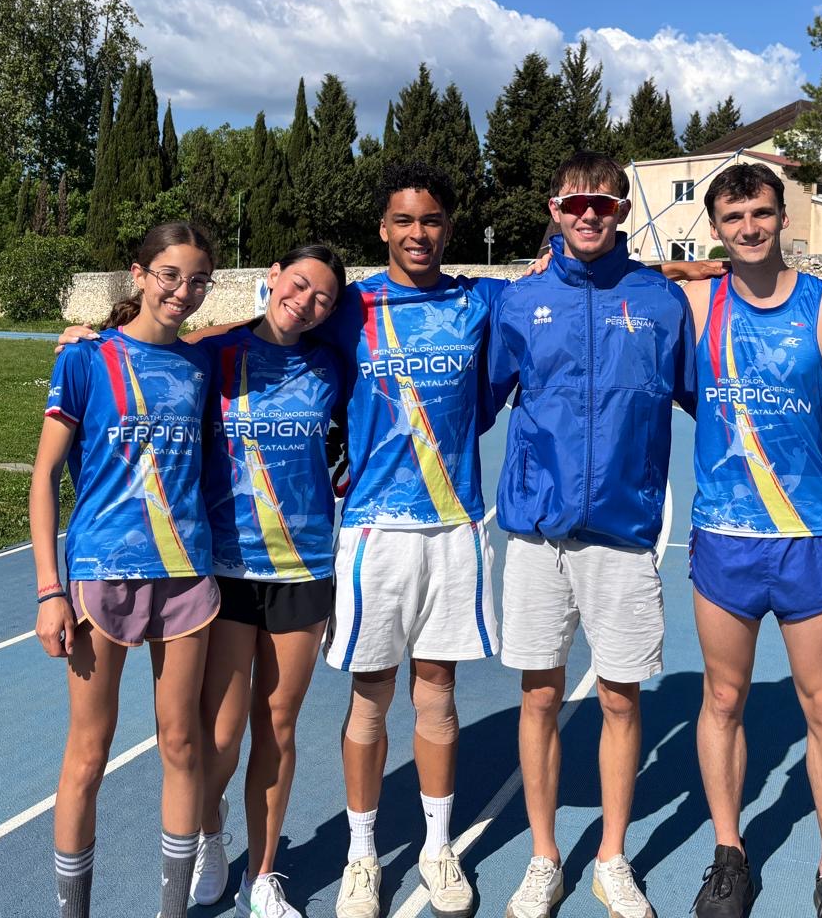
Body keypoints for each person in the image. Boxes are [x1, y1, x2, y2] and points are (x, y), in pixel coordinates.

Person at [683, 164, 822, 918]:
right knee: (722, 698)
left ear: (782, 216)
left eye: (762, 212)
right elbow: (615, 283)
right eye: (733, 216)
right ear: (715, 227)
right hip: (725, 536)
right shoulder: (694, 303)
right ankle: (729, 856)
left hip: (809, 536)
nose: (749, 227)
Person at [486, 152, 695, 918]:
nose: (586, 216)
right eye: (573, 204)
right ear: (553, 209)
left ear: (621, 212)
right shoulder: (521, 301)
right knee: (539, 696)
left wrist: (797, 438)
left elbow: (710, 398)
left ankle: (612, 857)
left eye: (600, 205)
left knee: (619, 701)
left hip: (623, 535)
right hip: (537, 538)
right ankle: (544, 858)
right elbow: (470, 401)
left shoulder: (660, 302)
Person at [312, 162, 509, 918]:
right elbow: (264, 330)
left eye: (430, 220)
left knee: (438, 694)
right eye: (404, 220)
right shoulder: (351, 306)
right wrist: (117, 331)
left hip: (454, 526)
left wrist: (696, 268)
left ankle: (436, 846)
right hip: (375, 529)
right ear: (383, 228)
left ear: (449, 227)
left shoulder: (479, 298)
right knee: (371, 698)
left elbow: (575, 284)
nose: (417, 233)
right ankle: (362, 855)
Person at [30, 221, 221, 918]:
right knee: (89, 753)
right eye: (169, 275)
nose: (183, 292)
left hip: (186, 570)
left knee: (182, 742)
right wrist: (49, 591)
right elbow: (45, 477)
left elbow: (263, 326)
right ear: (139, 275)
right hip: (100, 570)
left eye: (198, 281)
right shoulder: (85, 359)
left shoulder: (201, 365)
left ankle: (173, 911)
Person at [186, 245, 348, 918]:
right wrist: (91, 336)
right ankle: (209, 833)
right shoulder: (215, 355)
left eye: (323, 298)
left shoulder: (332, 366)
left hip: (302, 569)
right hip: (227, 569)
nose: (305, 302)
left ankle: (263, 874)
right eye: (299, 284)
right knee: (221, 734)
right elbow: (149, 347)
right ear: (272, 278)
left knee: (277, 725)